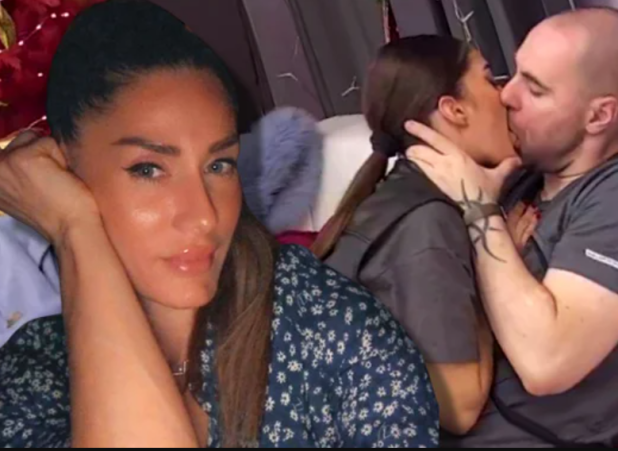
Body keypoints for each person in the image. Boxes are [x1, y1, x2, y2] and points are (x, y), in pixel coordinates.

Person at [0, 1, 439, 447]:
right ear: (64, 173)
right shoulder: (38, 371)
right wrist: (76, 229)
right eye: (148, 169)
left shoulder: (325, 323)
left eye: (219, 165)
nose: (204, 215)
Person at [406, 8, 618, 447]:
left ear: (598, 116)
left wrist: (479, 210)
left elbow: (546, 363)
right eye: (515, 73)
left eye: (536, 88)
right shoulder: (515, 180)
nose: (507, 95)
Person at [313, 35, 519, 436]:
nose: (507, 93)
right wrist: (492, 242)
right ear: (454, 109)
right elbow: (457, 409)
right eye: (490, 78)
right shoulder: (428, 221)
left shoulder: (399, 195)